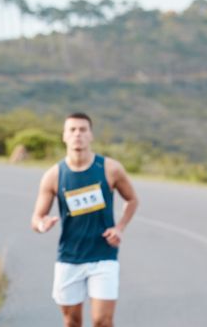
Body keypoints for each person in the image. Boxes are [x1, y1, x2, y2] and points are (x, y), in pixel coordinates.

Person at [30, 112, 140, 327]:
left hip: (103, 256)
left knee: (102, 321)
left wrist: (120, 227)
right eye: (72, 130)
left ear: (91, 135)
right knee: (72, 321)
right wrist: (42, 225)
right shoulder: (54, 175)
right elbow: (36, 218)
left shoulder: (110, 169)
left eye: (82, 129)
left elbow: (132, 199)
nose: (77, 134)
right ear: (64, 136)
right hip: (69, 258)